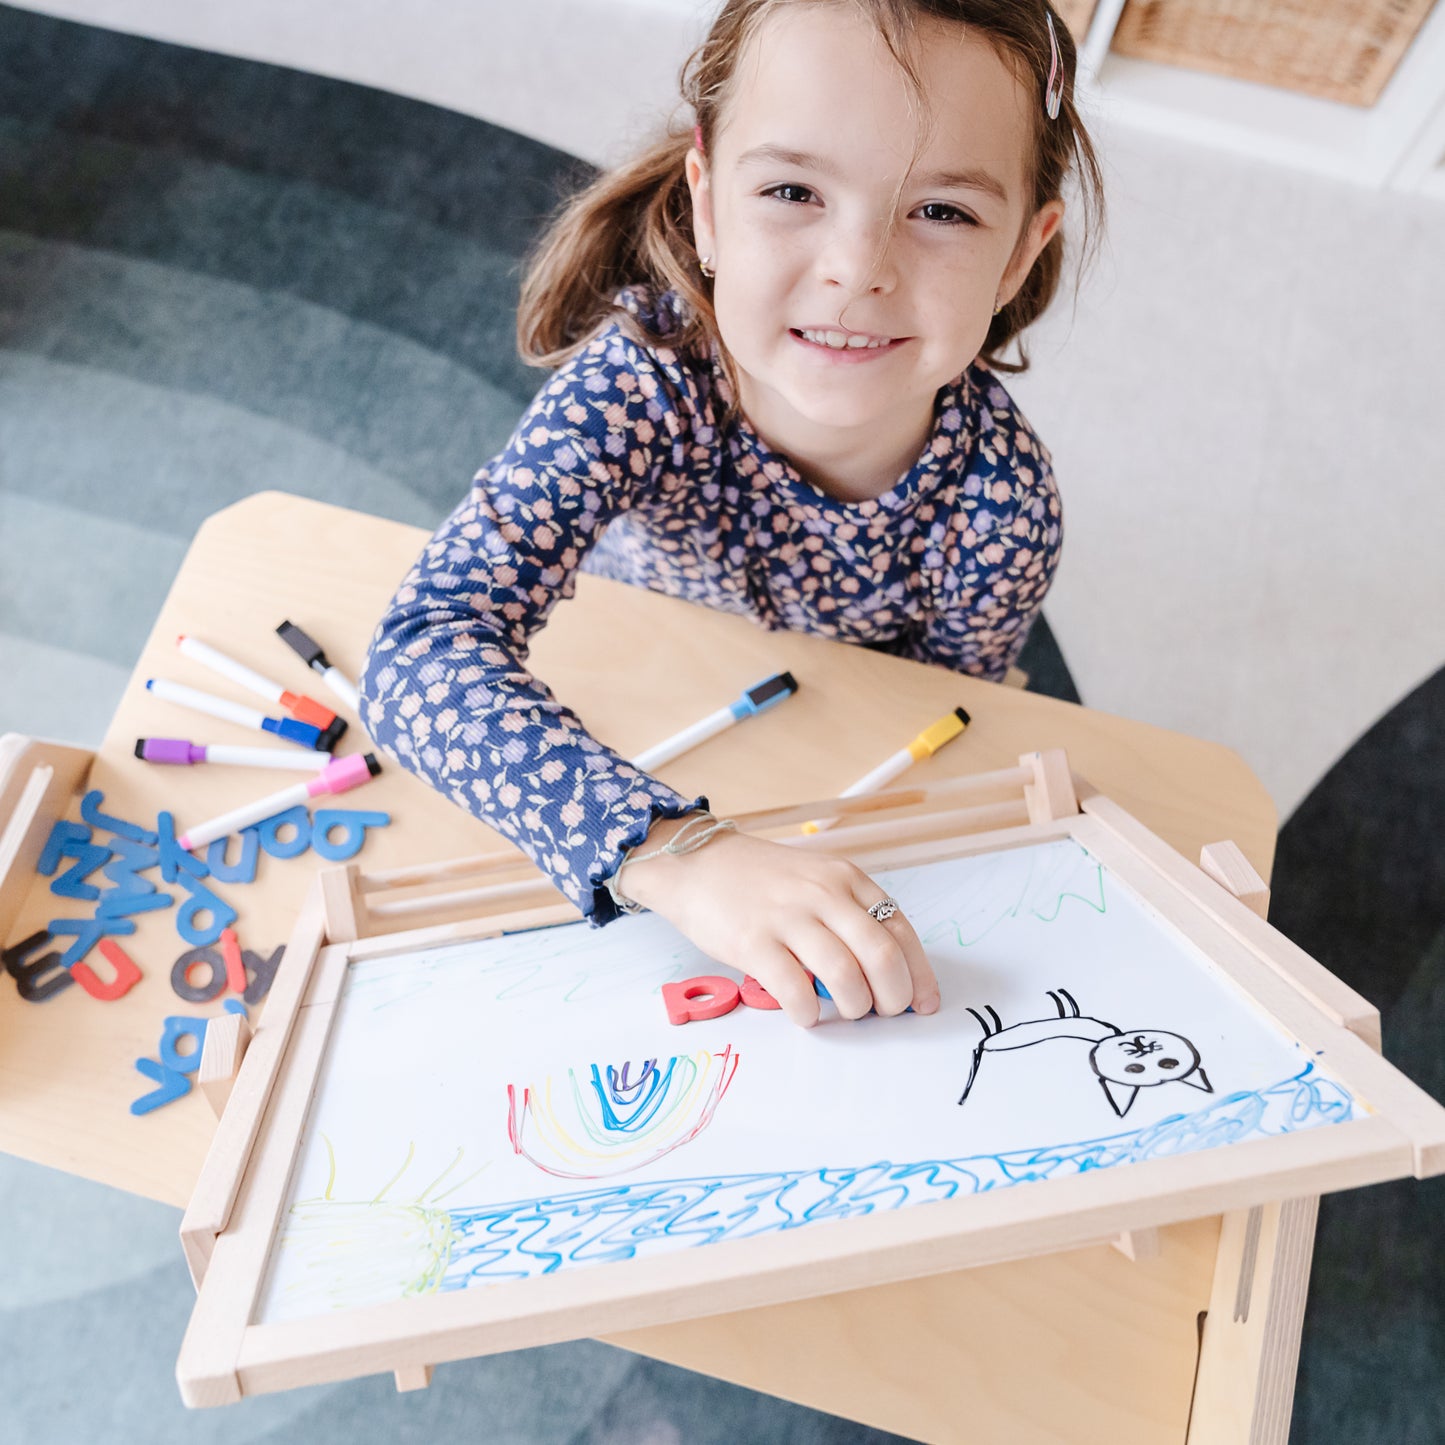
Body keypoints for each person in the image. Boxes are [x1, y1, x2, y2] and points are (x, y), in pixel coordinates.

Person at [360, 0, 1104, 1029]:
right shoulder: (641, 380)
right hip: (647, 675)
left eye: (942, 211)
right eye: (792, 190)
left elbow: (942, 718)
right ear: (706, 204)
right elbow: (419, 648)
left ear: (1021, 253)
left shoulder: (1005, 505)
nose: (858, 269)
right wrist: (674, 851)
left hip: (834, 753)